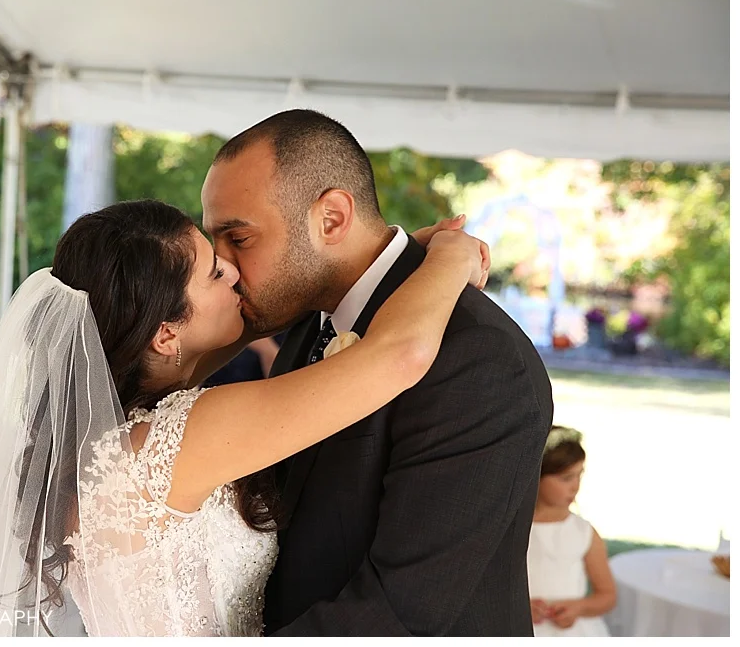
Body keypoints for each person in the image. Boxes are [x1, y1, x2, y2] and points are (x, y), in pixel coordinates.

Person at [0, 199, 489, 636]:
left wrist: (380, 262)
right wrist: (450, 257)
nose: (238, 279)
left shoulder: (108, 435)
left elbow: (244, 324)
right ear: (166, 333)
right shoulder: (184, 434)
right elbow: (400, 356)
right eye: (215, 275)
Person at [200, 109, 553, 636]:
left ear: (332, 219)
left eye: (239, 238)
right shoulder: (308, 318)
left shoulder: (478, 357)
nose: (223, 264)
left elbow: (399, 614)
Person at [527, 426, 616, 637]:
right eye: (566, 478)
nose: (575, 486)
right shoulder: (512, 532)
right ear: (536, 475)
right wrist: (518, 607)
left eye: (579, 475)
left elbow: (607, 595)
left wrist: (579, 608)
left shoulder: (583, 533)